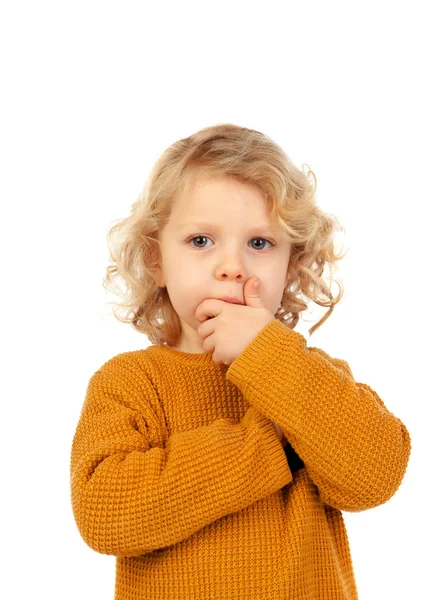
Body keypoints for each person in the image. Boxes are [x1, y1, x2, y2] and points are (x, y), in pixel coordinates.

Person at [70, 123, 412, 600]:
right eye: (201, 241)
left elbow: (375, 475)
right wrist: (276, 447)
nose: (232, 266)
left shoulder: (310, 376)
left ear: (290, 266)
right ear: (156, 260)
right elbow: (106, 516)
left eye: (259, 244)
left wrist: (267, 354)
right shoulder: (131, 381)